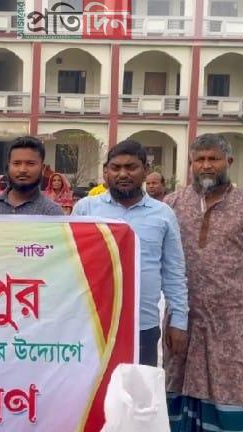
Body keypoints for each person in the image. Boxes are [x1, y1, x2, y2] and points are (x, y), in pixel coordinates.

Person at [73, 139, 188, 367]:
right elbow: (72, 266)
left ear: (145, 170)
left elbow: (174, 272)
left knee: (138, 388)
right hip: (93, 325)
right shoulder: (86, 209)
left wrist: (179, 321)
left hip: (142, 326)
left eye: (131, 167)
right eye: (116, 168)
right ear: (105, 172)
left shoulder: (163, 214)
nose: (123, 174)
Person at [163, 134, 243, 431]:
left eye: (214, 159)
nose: (206, 165)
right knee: (175, 377)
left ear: (229, 162)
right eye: (199, 159)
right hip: (182, 317)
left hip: (232, 319)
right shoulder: (172, 204)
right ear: (191, 164)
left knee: (231, 381)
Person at [0, 136, 63, 215]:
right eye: (16, 163)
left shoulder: (52, 212)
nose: (22, 170)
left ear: (42, 168)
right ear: (8, 166)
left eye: (30, 163)